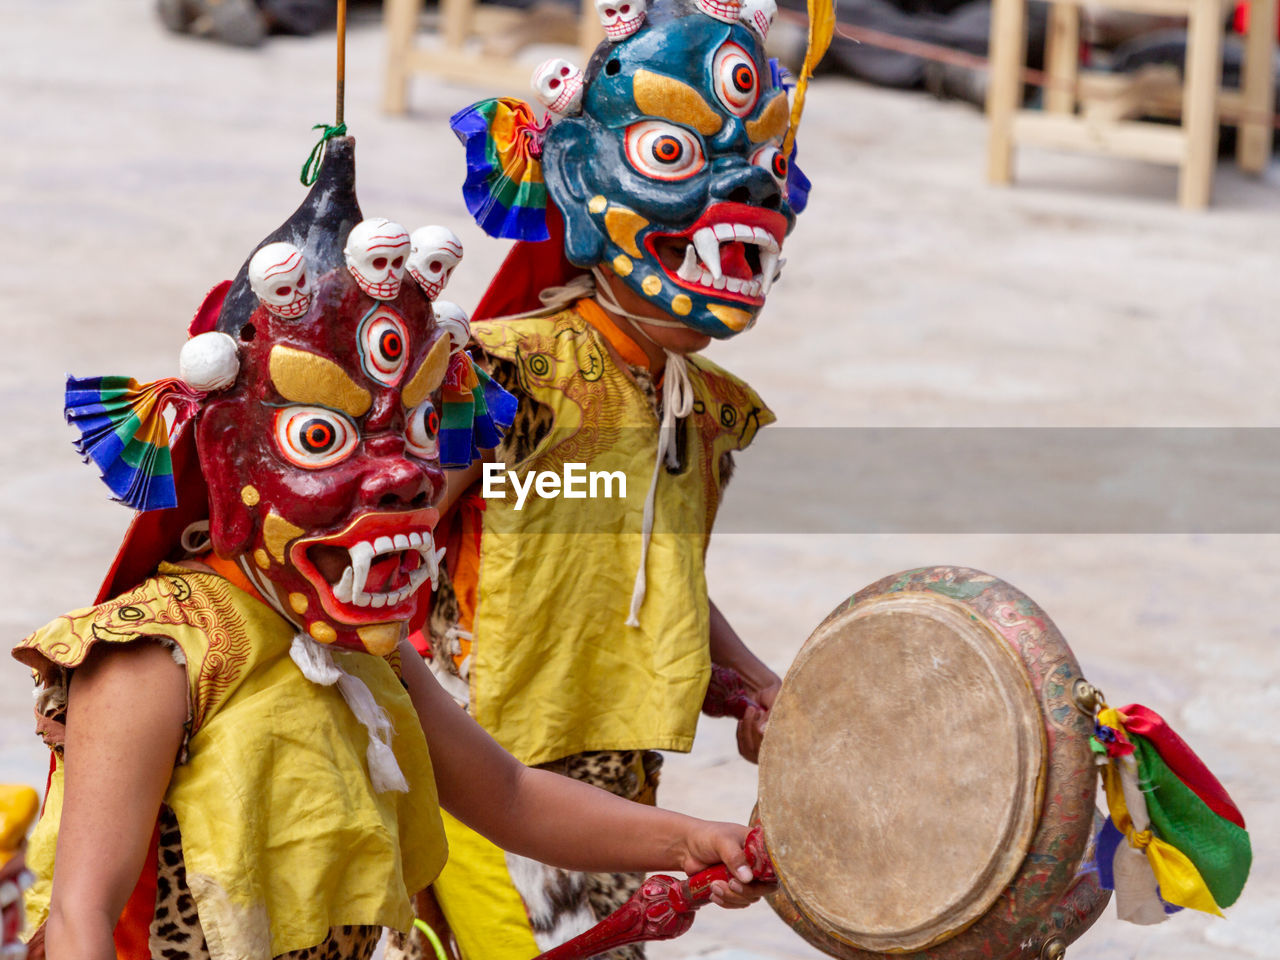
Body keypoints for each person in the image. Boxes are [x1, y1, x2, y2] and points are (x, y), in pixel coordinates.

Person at [14, 134, 768, 960]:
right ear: (227, 455)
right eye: (321, 435)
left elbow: (508, 795)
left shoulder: (361, 652)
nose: (405, 480)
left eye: (415, 432)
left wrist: (688, 841)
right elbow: (85, 916)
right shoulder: (155, 657)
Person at [404, 0, 816, 954]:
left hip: (616, 787)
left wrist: (752, 683)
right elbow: (378, 552)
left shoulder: (709, 408)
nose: (739, 198)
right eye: (678, 157)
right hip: (477, 766)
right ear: (582, 180)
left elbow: (651, 566)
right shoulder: (502, 373)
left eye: (756, 168)